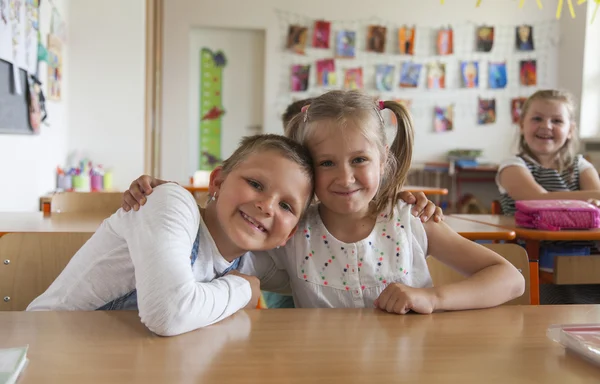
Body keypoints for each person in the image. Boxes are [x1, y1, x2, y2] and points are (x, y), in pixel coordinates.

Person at [126, 90, 524, 313]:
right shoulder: (292, 231)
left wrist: (433, 298)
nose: (345, 177)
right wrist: (171, 199)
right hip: (317, 374)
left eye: (360, 160)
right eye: (326, 163)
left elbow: (510, 279)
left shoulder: (412, 219)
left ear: (384, 161)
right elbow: (211, 251)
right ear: (306, 171)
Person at [27, 134, 315, 336]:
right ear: (217, 182)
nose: (266, 206)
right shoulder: (170, 202)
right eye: (255, 183)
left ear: (289, 235)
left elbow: (324, 284)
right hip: (45, 349)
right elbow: (168, 314)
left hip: (118, 364)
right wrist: (243, 290)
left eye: (286, 205)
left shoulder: (250, 262)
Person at [496, 89, 600, 304]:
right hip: (530, 265)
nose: (546, 126)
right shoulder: (512, 166)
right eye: (537, 118)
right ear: (521, 124)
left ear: (570, 130)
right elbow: (537, 199)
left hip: (587, 263)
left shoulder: (580, 166)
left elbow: (597, 202)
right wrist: (586, 201)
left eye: (557, 120)